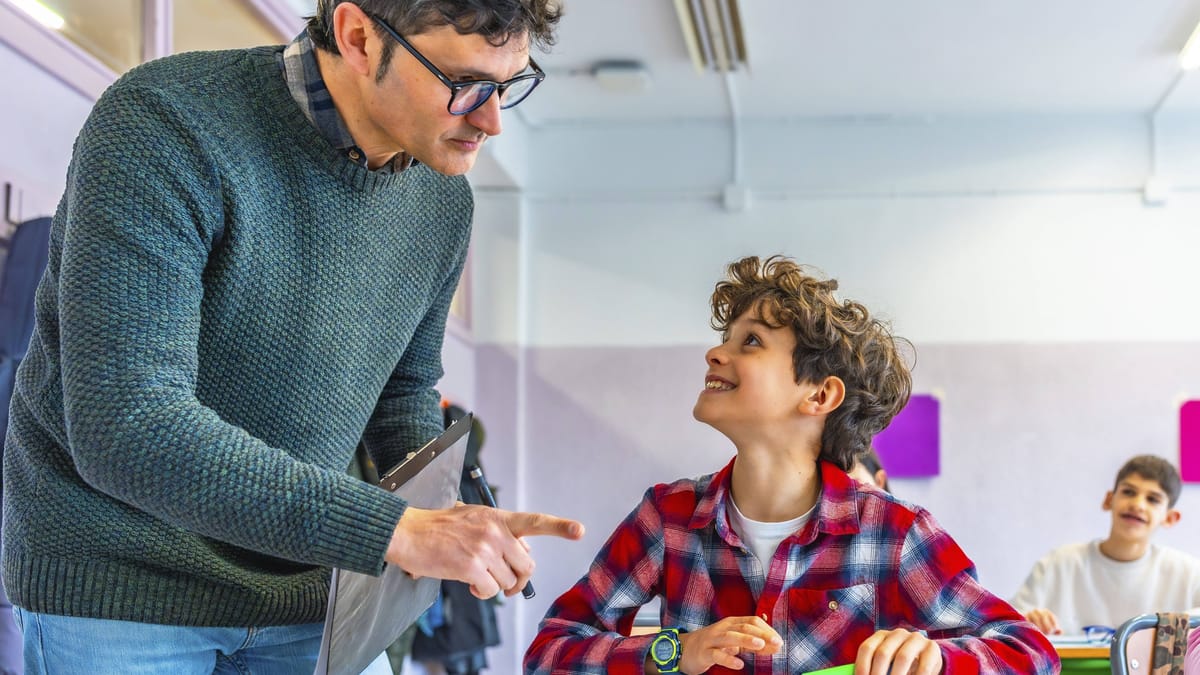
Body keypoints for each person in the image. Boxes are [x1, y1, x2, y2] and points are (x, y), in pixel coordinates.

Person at [1, 1, 583, 672]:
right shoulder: (164, 122)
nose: (492, 120)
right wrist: (395, 527)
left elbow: (404, 391)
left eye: (510, 84)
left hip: (309, 585)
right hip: (124, 580)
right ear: (359, 37)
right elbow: (128, 427)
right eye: (466, 85)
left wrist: (447, 515)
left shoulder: (444, 202)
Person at [523, 255, 1057, 675]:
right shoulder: (668, 516)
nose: (715, 353)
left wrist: (937, 659)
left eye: (750, 342)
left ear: (820, 395)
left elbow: (1030, 653)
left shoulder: (895, 533)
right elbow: (549, 652)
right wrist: (672, 652)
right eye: (725, 338)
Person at [1010, 455, 1200, 636]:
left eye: (1153, 499)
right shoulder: (1059, 563)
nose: (1138, 504)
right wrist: (1030, 621)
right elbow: (1007, 626)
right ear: (1109, 500)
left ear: (1170, 518)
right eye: (1128, 492)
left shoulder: (1188, 573)